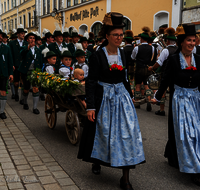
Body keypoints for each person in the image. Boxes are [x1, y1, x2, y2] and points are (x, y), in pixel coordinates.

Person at [78, 12, 145, 190]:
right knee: (102, 132)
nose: (119, 38)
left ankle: (125, 178)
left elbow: (124, 77)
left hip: (121, 97)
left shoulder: (123, 54)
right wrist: (91, 106)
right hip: (103, 98)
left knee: (127, 134)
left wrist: (130, 95)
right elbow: (91, 82)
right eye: (115, 35)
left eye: (121, 35)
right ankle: (97, 161)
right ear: (107, 36)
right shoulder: (98, 55)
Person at [151, 24, 200, 186]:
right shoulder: (173, 60)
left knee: (197, 133)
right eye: (189, 40)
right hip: (180, 99)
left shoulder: (199, 59)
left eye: (194, 40)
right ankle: (194, 169)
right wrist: (157, 97)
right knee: (186, 133)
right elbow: (165, 80)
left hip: (196, 99)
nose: (192, 43)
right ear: (181, 42)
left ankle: (173, 154)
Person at [149, 27, 178, 116]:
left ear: (167, 41)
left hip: (166, 73)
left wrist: (152, 68)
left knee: (163, 91)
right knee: (174, 92)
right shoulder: (178, 49)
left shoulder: (166, 50)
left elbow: (159, 63)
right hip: (176, 74)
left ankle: (162, 110)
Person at [18, 31, 42, 114]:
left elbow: (40, 62)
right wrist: (28, 47)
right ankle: (25, 102)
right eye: (30, 38)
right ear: (27, 40)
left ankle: (35, 107)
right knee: (26, 89)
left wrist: (39, 72)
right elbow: (21, 54)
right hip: (26, 71)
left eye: (33, 38)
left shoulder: (38, 50)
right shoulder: (24, 48)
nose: (32, 39)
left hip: (35, 71)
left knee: (35, 88)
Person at [131, 26, 154, 111]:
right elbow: (152, 57)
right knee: (147, 85)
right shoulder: (152, 47)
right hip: (148, 68)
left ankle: (137, 102)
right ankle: (148, 101)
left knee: (137, 85)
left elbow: (133, 57)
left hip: (139, 68)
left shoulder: (137, 48)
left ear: (141, 39)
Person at [9, 24, 28, 102]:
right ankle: (16, 94)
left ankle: (22, 98)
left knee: (23, 82)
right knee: (16, 82)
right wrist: (12, 64)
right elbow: (10, 55)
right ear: (18, 34)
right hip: (16, 65)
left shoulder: (26, 43)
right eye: (21, 33)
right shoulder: (12, 43)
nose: (23, 35)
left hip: (23, 65)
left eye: (24, 33)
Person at [0, 29, 14, 119]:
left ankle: (1, 111)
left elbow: (10, 62)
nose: (1, 37)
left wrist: (11, 73)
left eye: (1, 35)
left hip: (3, 73)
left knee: (3, 91)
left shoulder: (6, 48)